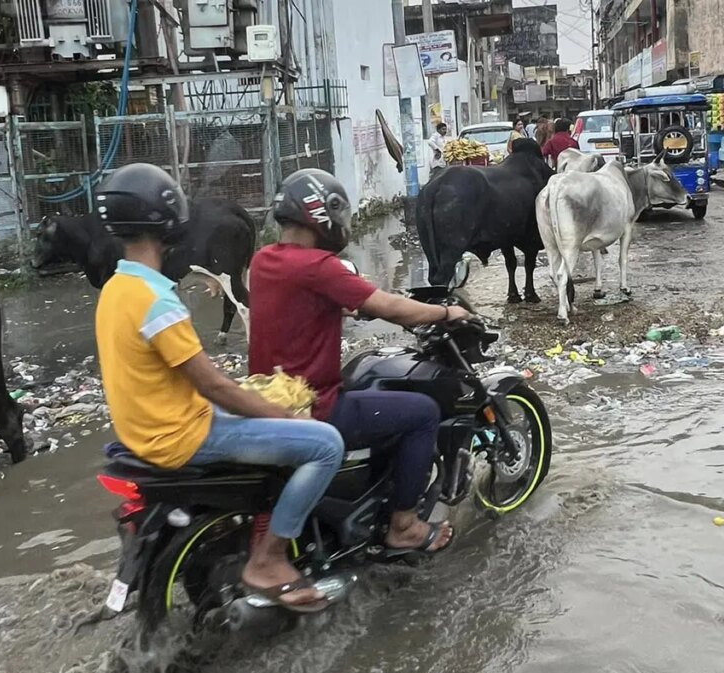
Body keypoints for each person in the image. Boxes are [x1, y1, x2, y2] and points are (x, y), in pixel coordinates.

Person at [94, 163, 345, 612]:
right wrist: (281, 413)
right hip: (183, 435)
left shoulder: (116, 289)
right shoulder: (156, 300)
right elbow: (213, 386)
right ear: (166, 218)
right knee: (325, 443)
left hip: (145, 434)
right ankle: (267, 560)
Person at [249, 169, 475, 556]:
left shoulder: (263, 261)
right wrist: (445, 312)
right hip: (314, 406)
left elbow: (296, 308)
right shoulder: (319, 267)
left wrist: (345, 309)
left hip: (268, 401)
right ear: (324, 215)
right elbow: (391, 308)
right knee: (422, 412)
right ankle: (403, 525)